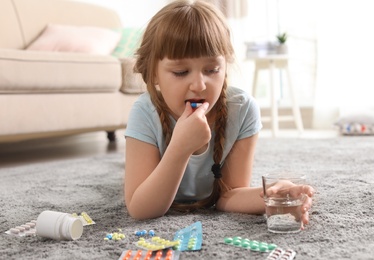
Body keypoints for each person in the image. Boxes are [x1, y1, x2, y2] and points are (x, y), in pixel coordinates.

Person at [124, 0, 315, 227]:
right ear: (153, 73)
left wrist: (270, 196)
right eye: (181, 72)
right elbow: (140, 209)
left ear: (225, 67)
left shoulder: (242, 109)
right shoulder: (145, 112)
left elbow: (228, 196)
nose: (199, 85)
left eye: (212, 70)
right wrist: (180, 147)